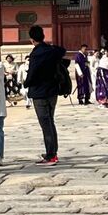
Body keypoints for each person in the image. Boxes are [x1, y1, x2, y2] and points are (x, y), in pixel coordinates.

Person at [23, 24, 66, 164]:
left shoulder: (35, 54)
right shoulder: (51, 50)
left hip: (39, 92)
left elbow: (32, 73)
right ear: (43, 36)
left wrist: (26, 83)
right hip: (52, 91)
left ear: (31, 39)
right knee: (50, 121)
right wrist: (49, 46)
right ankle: (52, 150)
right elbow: (62, 50)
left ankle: (51, 154)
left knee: (45, 123)